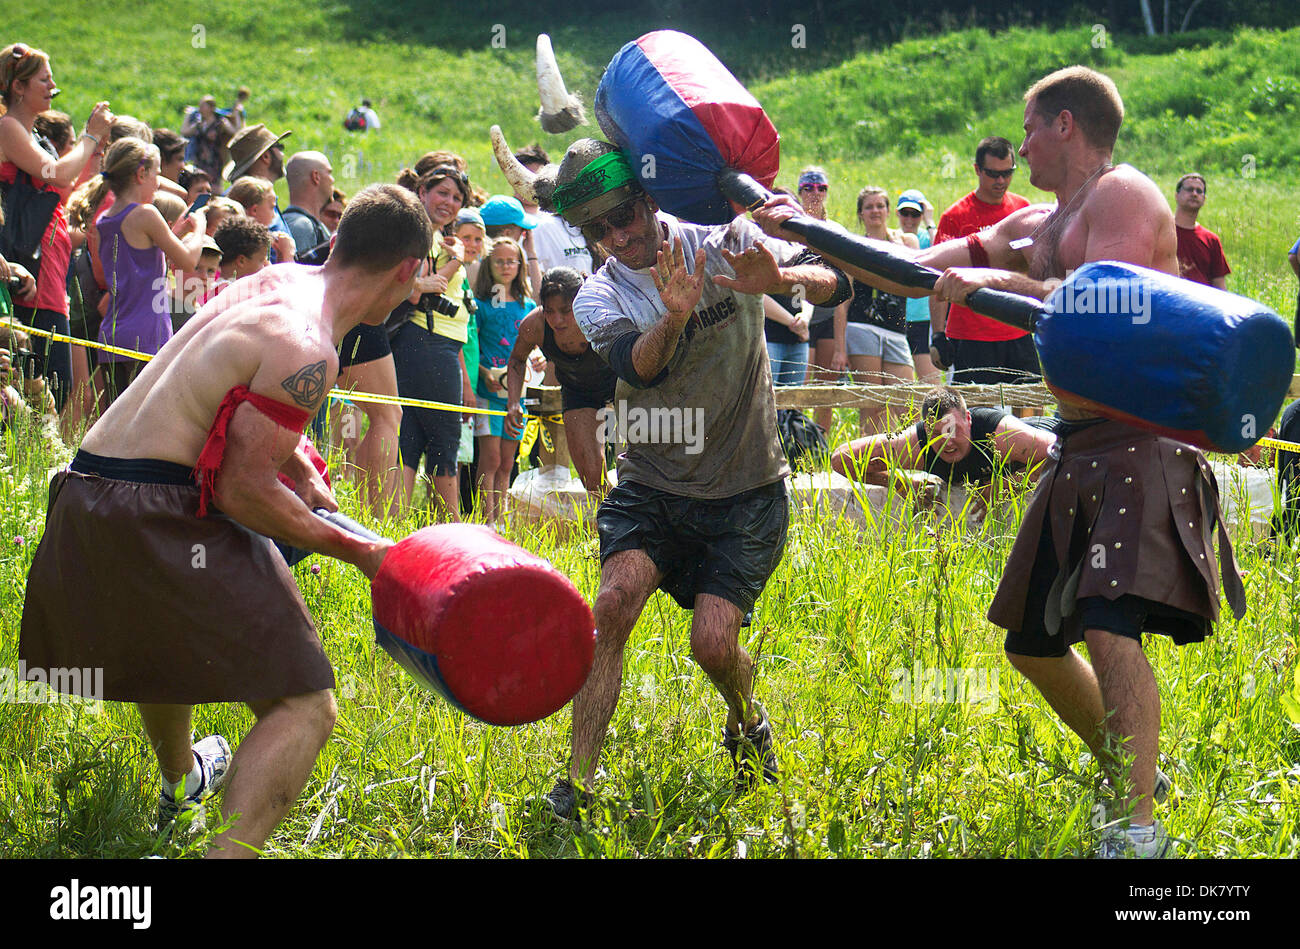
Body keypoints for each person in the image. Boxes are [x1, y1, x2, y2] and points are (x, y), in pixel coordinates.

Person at [759, 66, 1245, 859]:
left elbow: (1102, 305)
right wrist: (804, 233)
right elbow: (916, 266)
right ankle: (1138, 776)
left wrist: (989, 280)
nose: (1017, 147)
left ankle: (1137, 833)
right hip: (1077, 442)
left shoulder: (1122, 195)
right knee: (1032, 642)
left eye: (1026, 129)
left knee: (1109, 626)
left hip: (1137, 441)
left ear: (1064, 125)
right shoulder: (1041, 222)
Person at [19, 183, 431, 858]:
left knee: (170, 652)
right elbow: (241, 489)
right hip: (155, 505)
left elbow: (226, 388)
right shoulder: (312, 348)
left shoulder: (272, 279)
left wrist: (302, 469)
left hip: (85, 493)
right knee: (305, 704)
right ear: (408, 271)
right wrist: (358, 550)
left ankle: (182, 787)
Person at [504, 139, 849, 816]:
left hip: (747, 487)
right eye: (597, 229)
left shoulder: (721, 239)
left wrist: (784, 280)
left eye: (625, 214)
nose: (617, 236)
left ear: (650, 197)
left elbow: (835, 277)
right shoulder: (598, 294)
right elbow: (637, 366)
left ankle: (748, 721)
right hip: (653, 485)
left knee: (713, 643)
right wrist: (675, 313)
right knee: (611, 606)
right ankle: (575, 784)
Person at [0, 43, 114, 413]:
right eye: (44, 79)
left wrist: (95, 153)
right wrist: (89, 136)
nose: (53, 86)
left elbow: (66, 189)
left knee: (57, 391)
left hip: (50, 276)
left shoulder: (34, 138)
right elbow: (60, 173)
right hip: (26, 271)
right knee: (37, 394)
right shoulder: (7, 128)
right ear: (18, 86)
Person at [66, 137, 208, 412]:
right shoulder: (146, 214)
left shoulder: (107, 218)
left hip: (113, 334)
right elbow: (189, 261)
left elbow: (143, 255)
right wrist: (199, 227)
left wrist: (176, 233)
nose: (158, 182)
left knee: (119, 419)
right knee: (147, 421)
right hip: (148, 335)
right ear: (141, 174)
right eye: (156, 174)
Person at [831, 385, 1055, 521]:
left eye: (953, 430)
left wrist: (1004, 486)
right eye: (936, 433)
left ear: (968, 420)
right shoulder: (915, 446)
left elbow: (1062, 451)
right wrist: (900, 483)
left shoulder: (1001, 434)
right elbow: (841, 459)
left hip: (1050, 431)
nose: (947, 442)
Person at [389, 162, 475, 518]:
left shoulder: (434, 236)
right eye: (442, 193)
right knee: (443, 439)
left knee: (410, 436)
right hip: (428, 342)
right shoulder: (422, 234)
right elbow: (415, 290)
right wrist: (456, 260)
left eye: (457, 198)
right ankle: (451, 534)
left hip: (426, 344)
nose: (450, 202)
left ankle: (389, 527)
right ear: (422, 192)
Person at [928, 136, 1034, 388]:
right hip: (971, 334)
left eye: (1007, 173)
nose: (1001, 181)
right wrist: (938, 334)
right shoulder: (955, 217)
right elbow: (936, 279)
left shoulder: (1023, 210)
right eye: (993, 174)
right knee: (976, 416)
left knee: (1032, 408)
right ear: (977, 170)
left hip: (1017, 327)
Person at [504, 267, 615, 496]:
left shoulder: (603, 312)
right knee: (592, 479)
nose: (557, 320)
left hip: (623, 382)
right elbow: (516, 360)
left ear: (581, 301)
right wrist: (514, 402)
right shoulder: (534, 324)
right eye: (550, 311)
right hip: (579, 391)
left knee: (641, 467)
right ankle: (614, 519)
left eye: (565, 310)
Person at [837, 186, 916, 435]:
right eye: (869, 207)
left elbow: (919, 273)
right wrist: (840, 349)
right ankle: (868, 465)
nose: (875, 211)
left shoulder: (905, 242)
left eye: (880, 206)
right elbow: (843, 300)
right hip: (862, 327)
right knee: (873, 405)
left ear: (889, 211)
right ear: (860, 214)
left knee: (907, 405)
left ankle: (904, 462)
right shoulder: (852, 246)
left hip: (896, 330)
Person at [472, 236, 532, 521]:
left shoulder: (528, 306)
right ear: (489, 264)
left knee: (508, 460)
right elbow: (471, 345)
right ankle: (487, 519)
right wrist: (484, 373)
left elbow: (536, 347)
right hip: (488, 391)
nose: (506, 267)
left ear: (520, 266)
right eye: (499, 261)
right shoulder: (481, 305)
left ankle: (502, 518)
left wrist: (540, 358)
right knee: (490, 459)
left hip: (516, 395)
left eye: (512, 261)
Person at [795, 166, 846, 434]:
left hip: (827, 316)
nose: (815, 193)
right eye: (808, 188)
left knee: (825, 392)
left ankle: (820, 448)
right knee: (801, 390)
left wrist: (841, 345)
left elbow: (843, 286)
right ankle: (795, 446)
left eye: (821, 188)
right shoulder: (790, 225)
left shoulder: (835, 230)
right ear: (800, 191)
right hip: (797, 312)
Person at [223, 123, 294, 261]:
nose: (283, 154)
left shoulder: (265, 198)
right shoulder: (234, 204)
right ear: (266, 156)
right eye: (280, 147)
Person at [896, 189, 941, 383]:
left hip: (923, 320)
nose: (909, 219)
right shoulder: (893, 238)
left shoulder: (926, 238)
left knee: (930, 384)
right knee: (900, 387)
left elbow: (943, 251)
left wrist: (929, 221)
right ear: (897, 213)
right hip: (898, 318)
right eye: (905, 213)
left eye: (915, 214)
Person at [1172, 173, 1230, 290]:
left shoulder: (1211, 240)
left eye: (1199, 191)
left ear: (1204, 199)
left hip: (1201, 304)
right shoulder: (1163, 231)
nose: (1194, 194)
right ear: (1176, 195)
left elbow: (1219, 285)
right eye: (1189, 189)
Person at [283, 151, 335, 264]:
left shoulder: (297, 222)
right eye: (329, 173)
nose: (333, 180)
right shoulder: (302, 226)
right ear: (316, 177)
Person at [181, 95, 236, 186]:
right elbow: (184, 132)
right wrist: (188, 116)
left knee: (214, 186)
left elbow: (235, 132)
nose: (200, 109)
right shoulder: (199, 123)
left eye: (203, 106)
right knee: (200, 183)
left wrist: (237, 115)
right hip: (200, 160)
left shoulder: (220, 122)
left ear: (211, 108)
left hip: (215, 160)